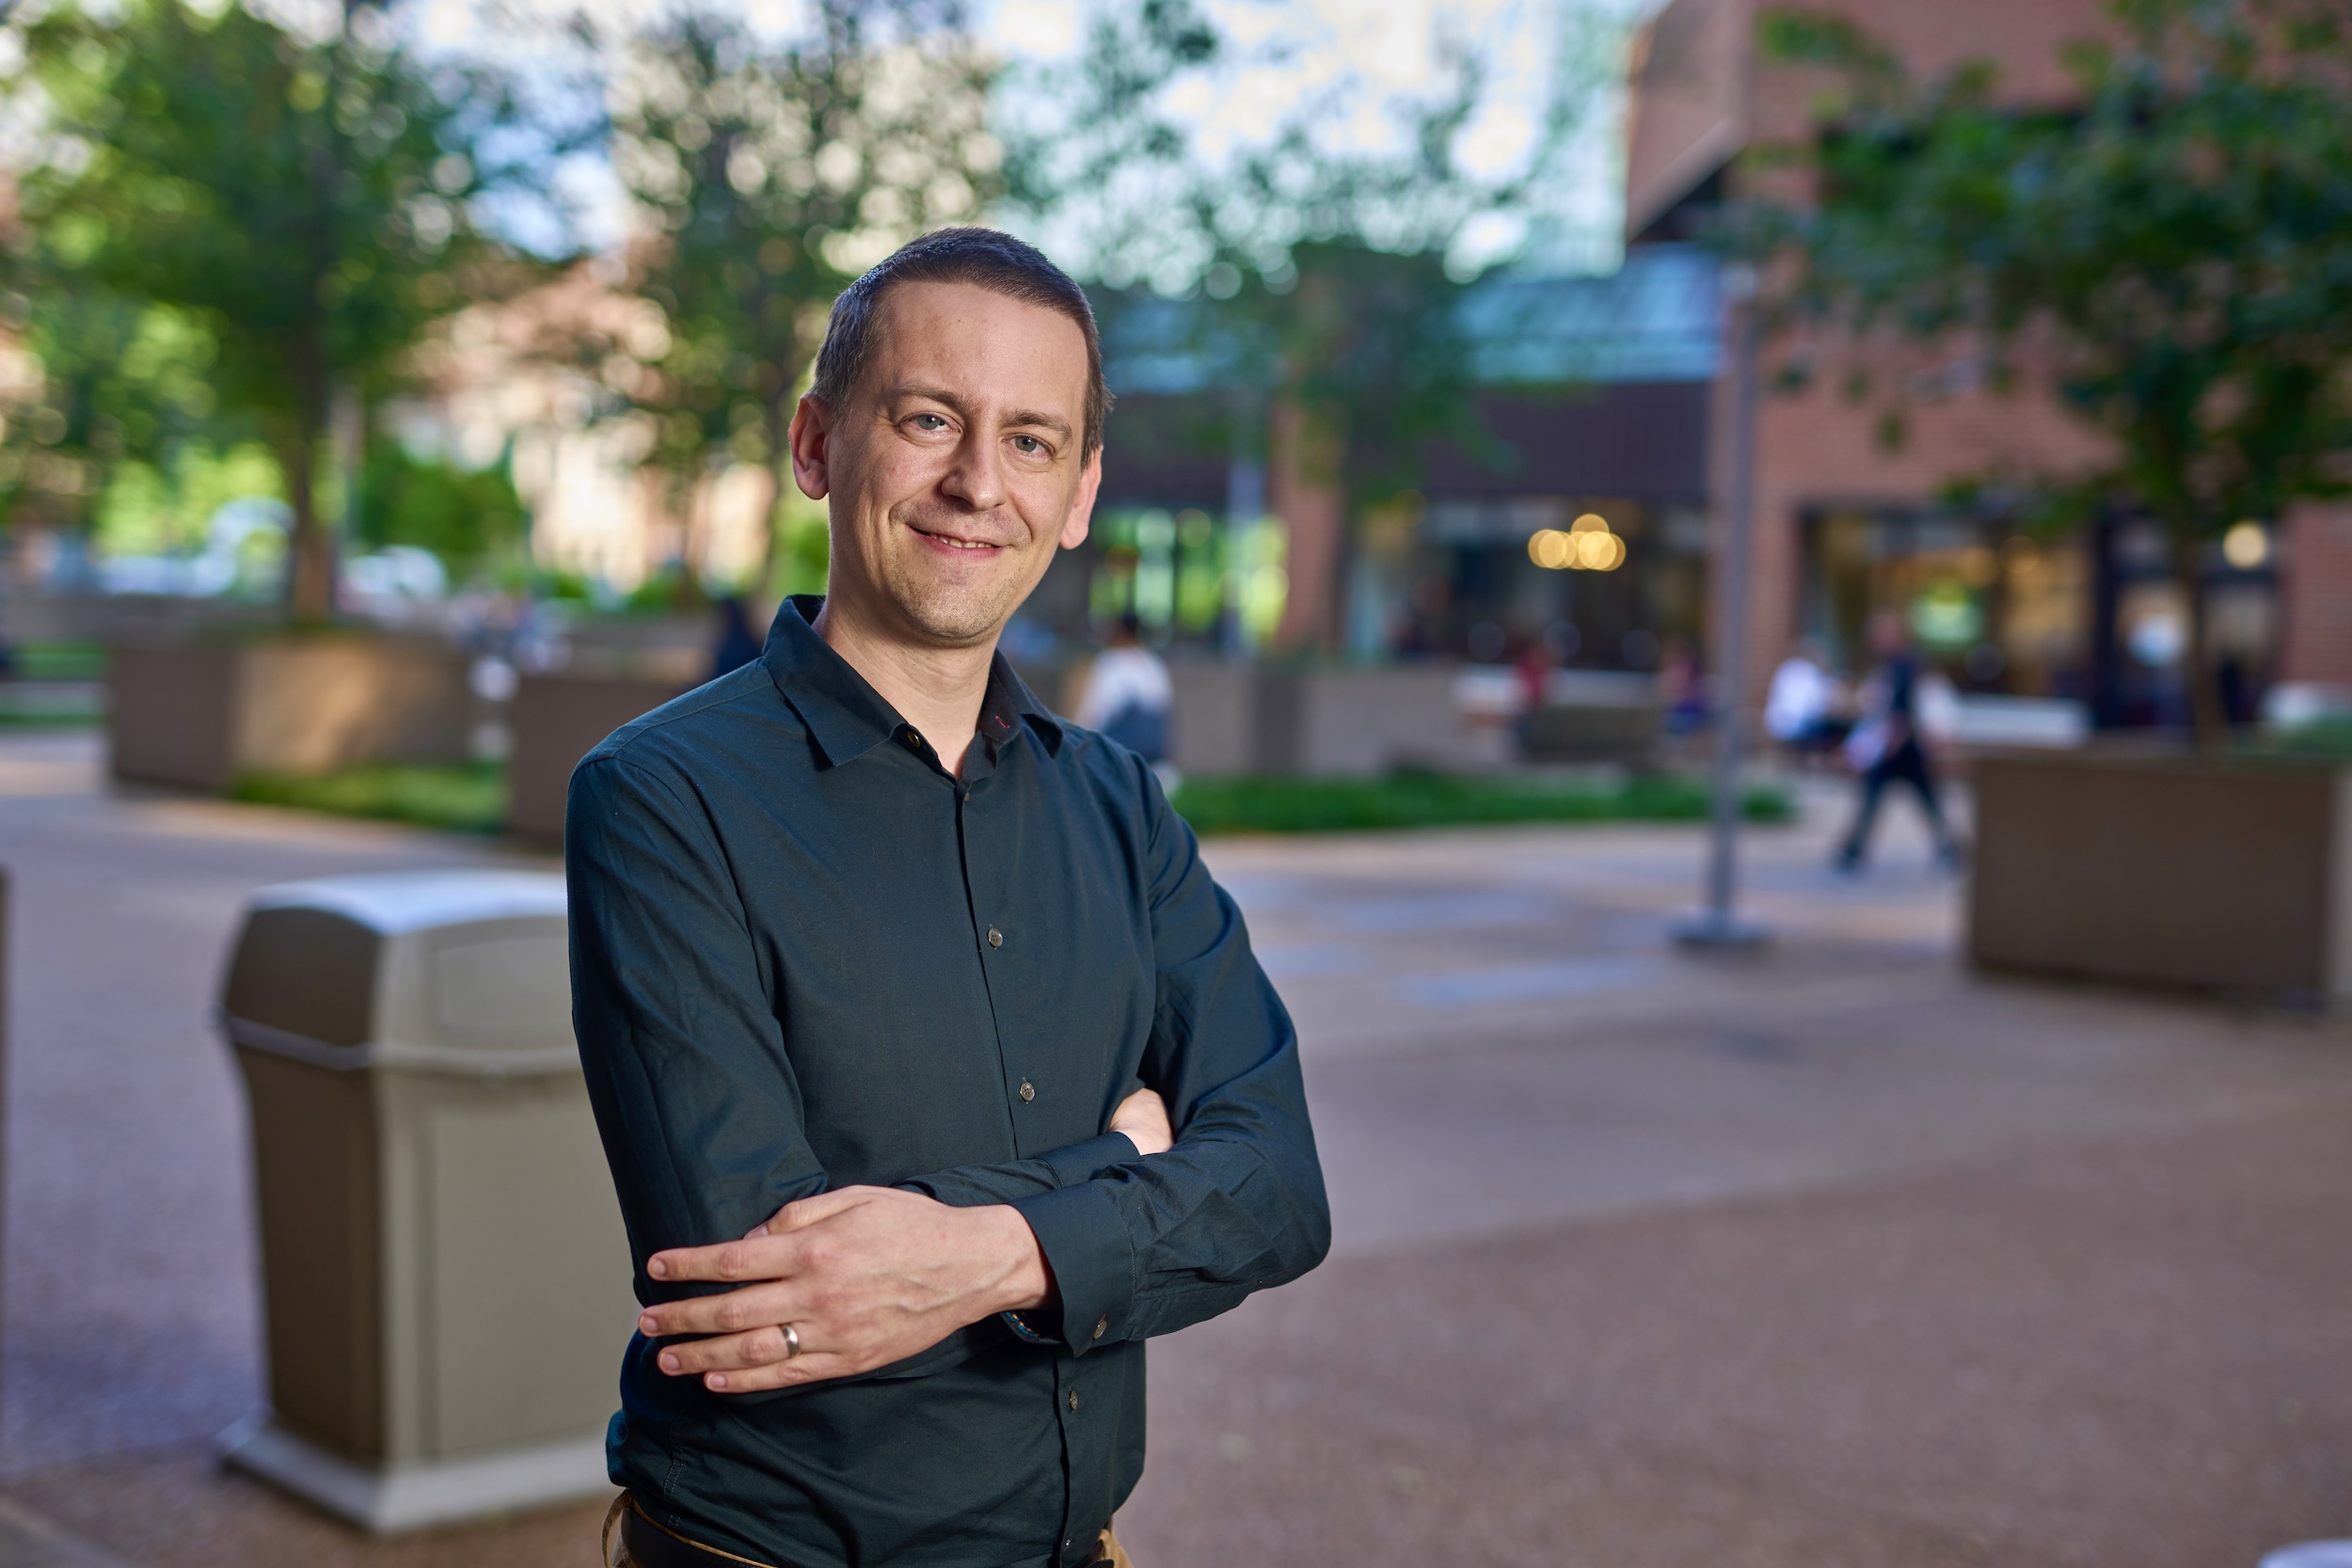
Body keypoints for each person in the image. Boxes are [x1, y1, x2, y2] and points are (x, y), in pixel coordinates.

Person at [565, 228, 1329, 1568]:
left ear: (1080, 492)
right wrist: (1131, 1166)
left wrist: (986, 1244)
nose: (980, 482)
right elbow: (763, 1277)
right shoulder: (660, 795)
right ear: (817, 444)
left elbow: (1277, 1187)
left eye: (1032, 440)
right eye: (930, 419)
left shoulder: (1117, 804)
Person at [1836, 608, 1963, 872]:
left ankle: (1852, 851)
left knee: (1886, 797)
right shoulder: (1898, 663)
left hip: (1900, 747)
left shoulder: (1904, 665)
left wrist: (1891, 742)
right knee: (1919, 799)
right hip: (1901, 746)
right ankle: (1949, 849)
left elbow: (1904, 709)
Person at [1072, 612, 1172, 768]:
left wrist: (1076, 738)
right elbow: (1164, 703)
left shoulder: (1111, 661)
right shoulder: (1153, 662)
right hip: (1153, 751)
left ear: (1119, 631)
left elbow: (1096, 710)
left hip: (1118, 748)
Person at [1764, 638, 1842, 763]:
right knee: (1834, 730)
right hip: (1797, 726)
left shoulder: (1786, 668)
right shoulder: (1809, 672)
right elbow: (1818, 706)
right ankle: (1826, 764)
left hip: (1775, 722)